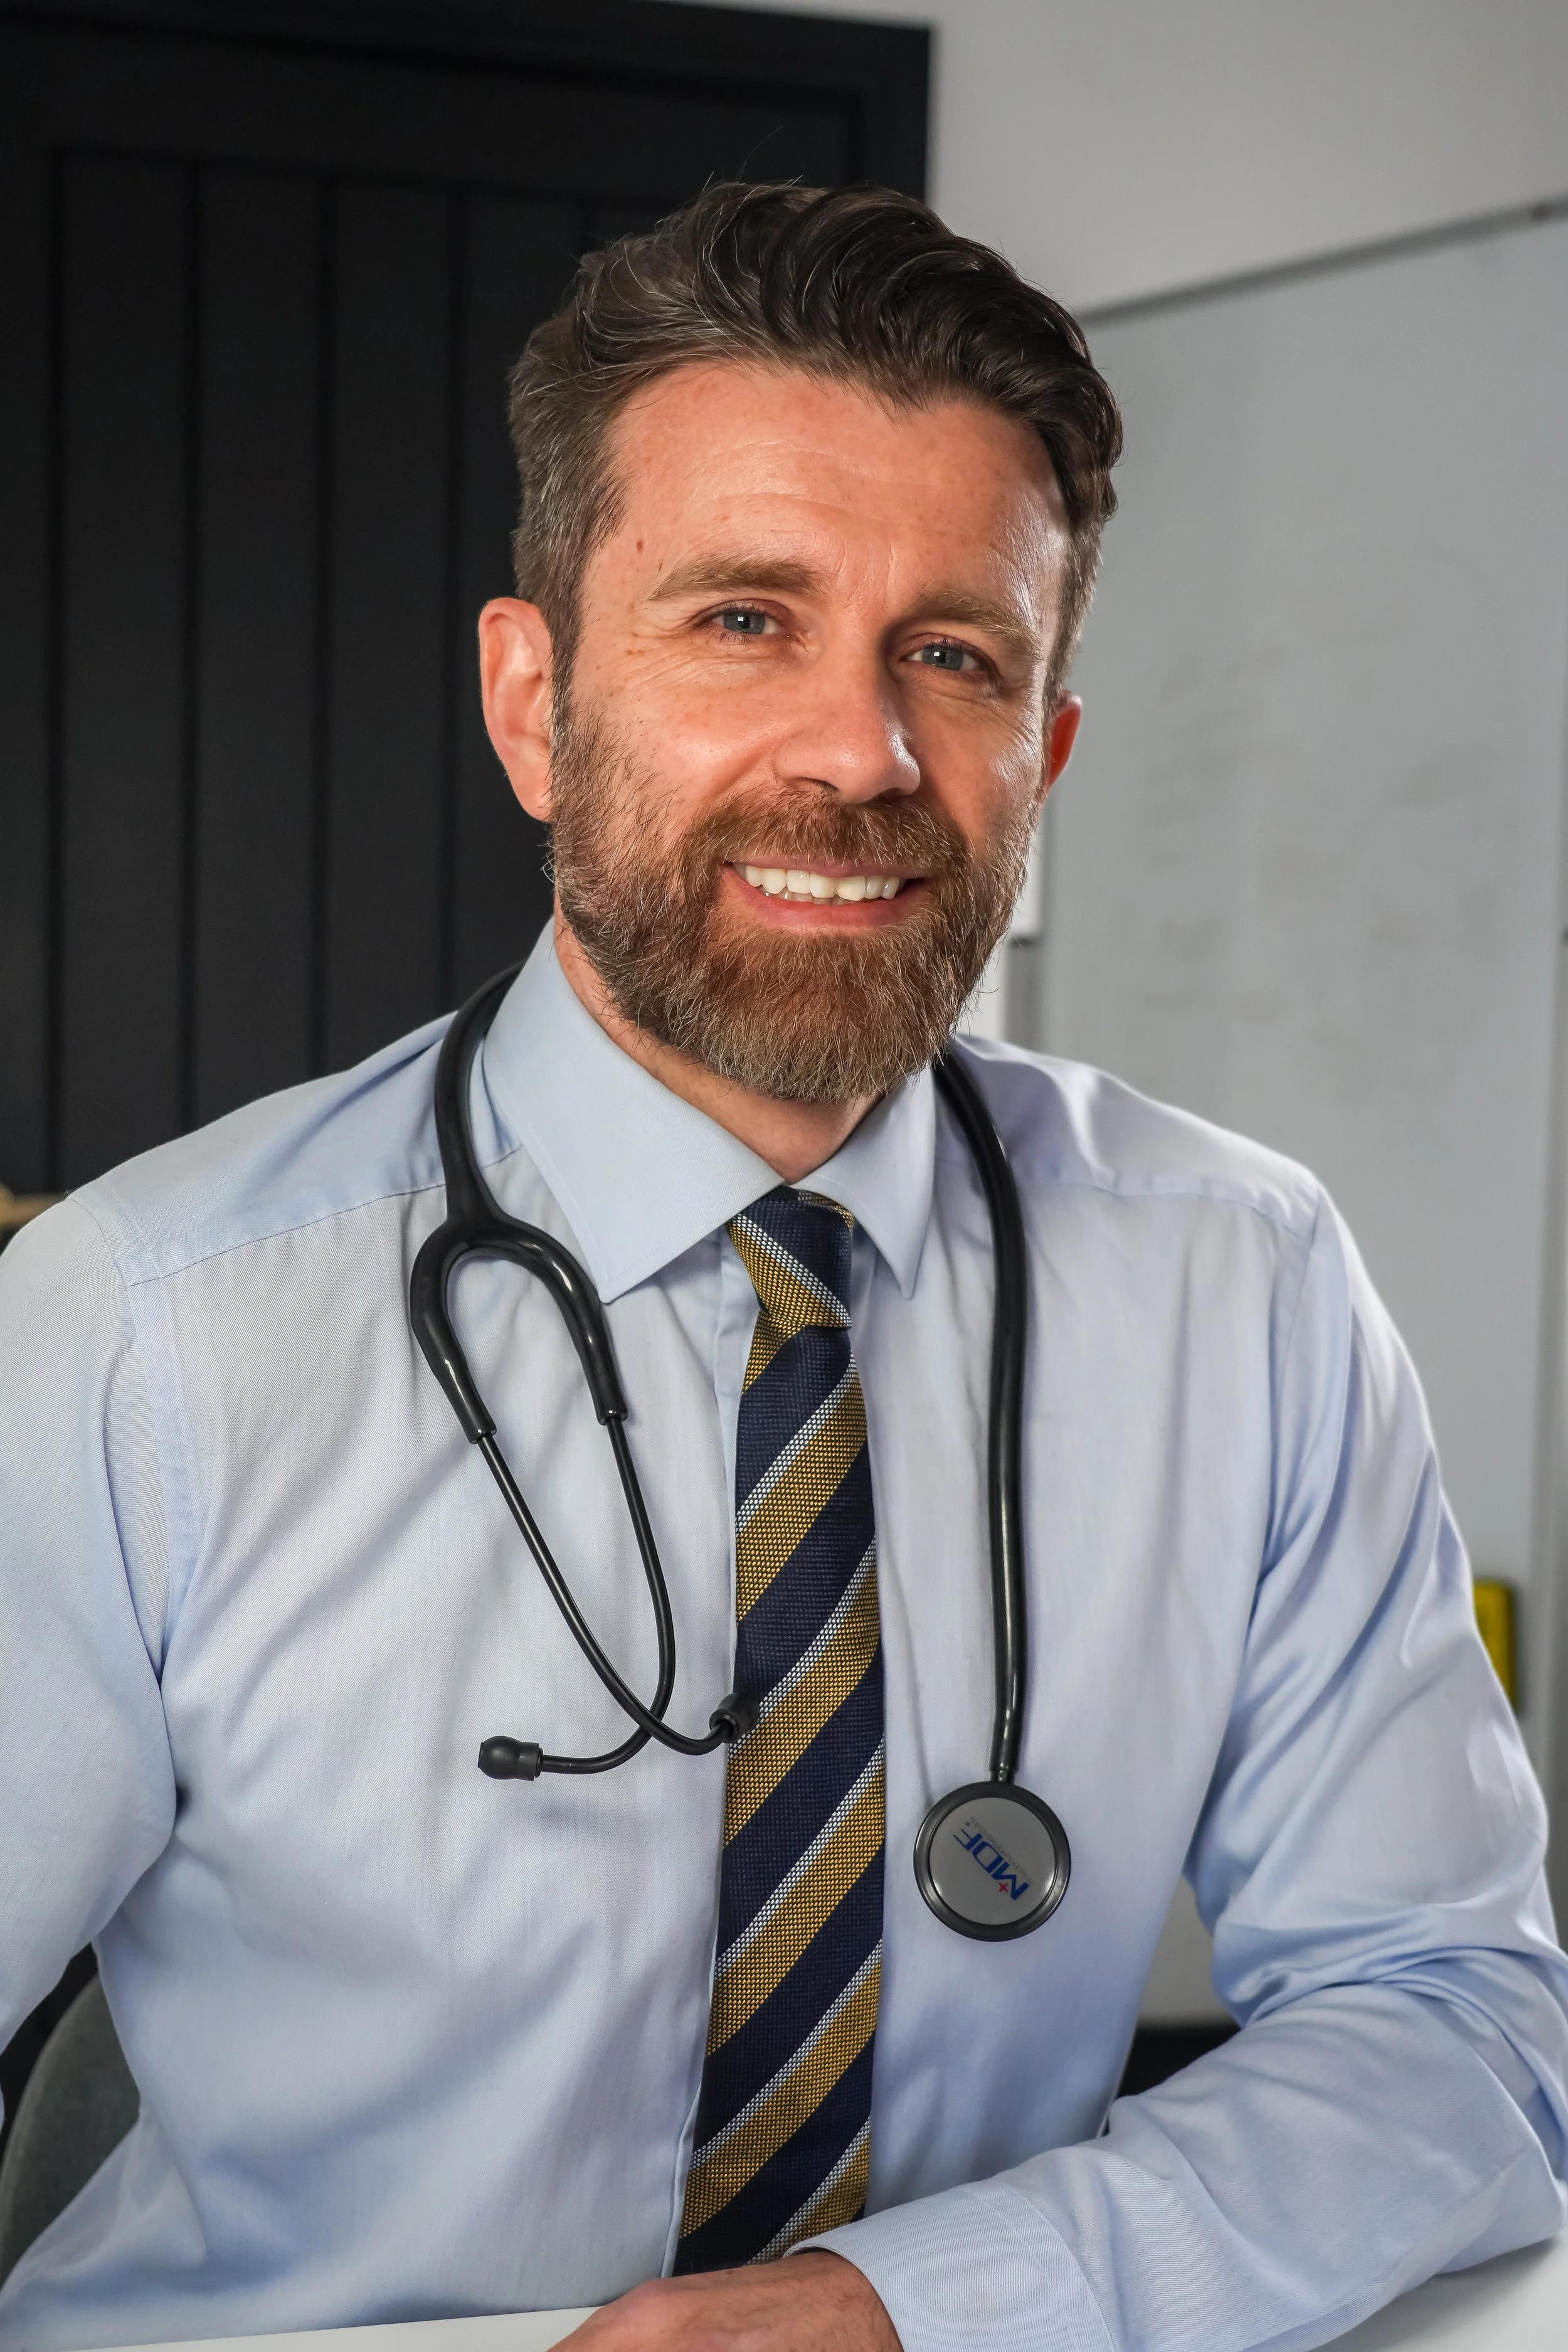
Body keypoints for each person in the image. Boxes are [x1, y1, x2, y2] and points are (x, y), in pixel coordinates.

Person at [1, 181, 1565, 2352]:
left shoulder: (1246, 1285)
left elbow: (1451, 2017)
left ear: (1047, 755)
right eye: (744, 619)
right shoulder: (144, 1324)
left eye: (955, 654)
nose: (859, 753)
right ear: (533, 700)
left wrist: (922, 2308)